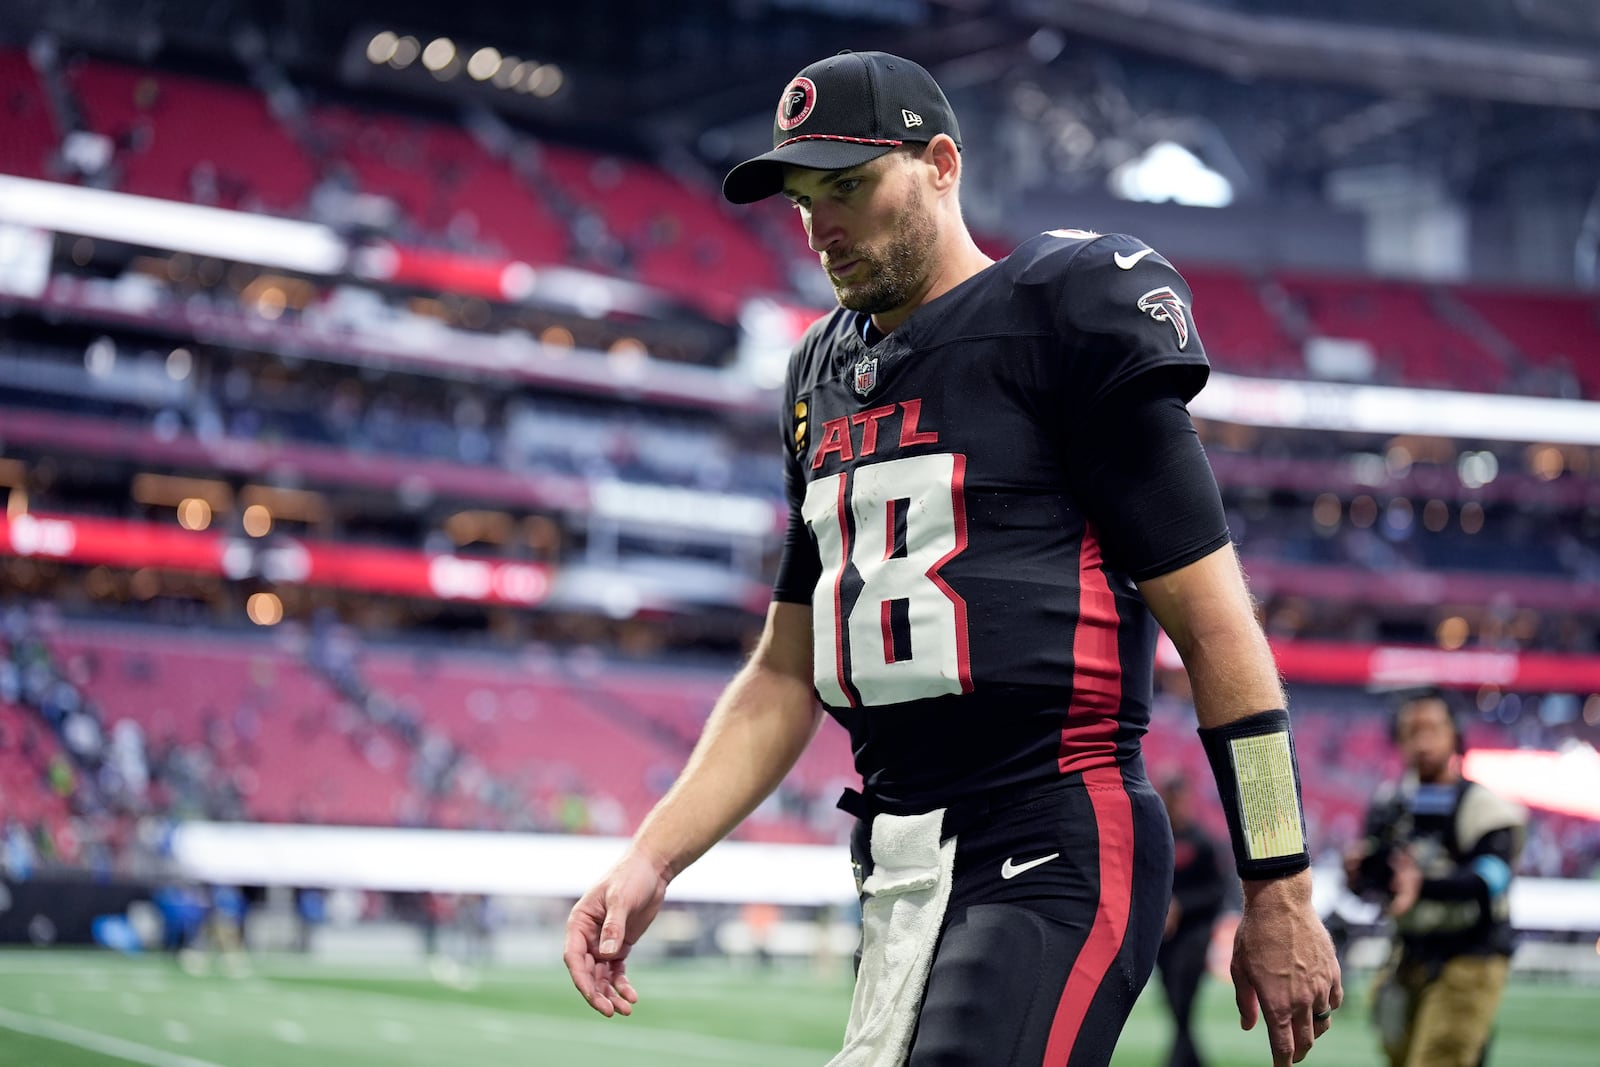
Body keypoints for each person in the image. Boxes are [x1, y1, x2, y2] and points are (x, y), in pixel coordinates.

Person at [564, 49, 1341, 1067]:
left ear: (939, 163)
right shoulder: (818, 375)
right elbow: (782, 671)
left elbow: (1217, 628)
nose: (820, 224)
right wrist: (651, 857)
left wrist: (1277, 885)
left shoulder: (1064, 310)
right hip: (897, 860)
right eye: (802, 197)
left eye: (847, 185)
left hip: (1054, 830)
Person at [1343, 688, 1524, 1067]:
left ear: (1454, 734)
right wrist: (1359, 877)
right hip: (1407, 954)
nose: (1422, 742)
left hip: (1469, 955)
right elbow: (1375, 885)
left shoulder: (1483, 808)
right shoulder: (1389, 804)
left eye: (1432, 729)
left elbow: (1490, 881)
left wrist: (1421, 886)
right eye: (1412, 731)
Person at [1157, 774, 1233, 1067]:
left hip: (1194, 936)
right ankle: (1192, 1061)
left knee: (1182, 999)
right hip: (1164, 940)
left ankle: (1178, 1061)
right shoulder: (1158, 839)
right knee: (1175, 1004)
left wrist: (1180, 907)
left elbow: (1217, 891)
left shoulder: (1202, 842)